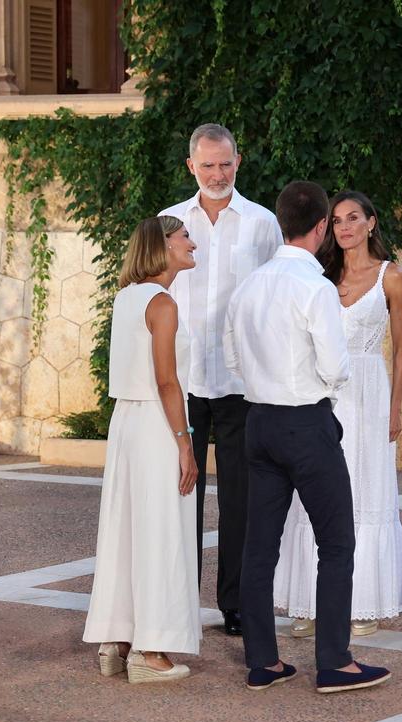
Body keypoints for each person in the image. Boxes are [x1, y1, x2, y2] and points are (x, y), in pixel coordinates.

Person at [224, 180, 391, 693]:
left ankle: (263, 662)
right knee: (337, 542)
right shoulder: (316, 286)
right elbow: (336, 366)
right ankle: (335, 661)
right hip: (306, 422)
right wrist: (323, 388)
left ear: (281, 224)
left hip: (258, 423)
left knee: (259, 548)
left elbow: (233, 362)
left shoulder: (248, 286)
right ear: (321, 227)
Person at [159, 123, 283, 637]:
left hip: (239, 381)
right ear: (191, 166)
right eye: (207, 165)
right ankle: (178, 600)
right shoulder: (169, 222)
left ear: (239, 162)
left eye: (225, 164)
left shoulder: (262, 223)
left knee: (240, 499)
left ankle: (234, 604)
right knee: (180, 491)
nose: (217, 173)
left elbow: (278, 296)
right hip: (183, 381)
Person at [274, 191, 402, 637]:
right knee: (316, 487)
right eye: (336, 221)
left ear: (371, 222)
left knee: (363, 489)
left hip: (369, 393)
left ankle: (361, 604)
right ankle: (313, 601)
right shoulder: (320, 275)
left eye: (354, 218)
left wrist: (396, 408)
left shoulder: (391, 277)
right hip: (321, 393)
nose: (345, 227)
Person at [82, 216, 201, 683]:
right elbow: (167, 381)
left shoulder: (126, 298)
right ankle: (151, 653)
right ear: (163, 246)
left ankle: (117, 642)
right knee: (159, 531)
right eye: (184, 237)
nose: (191, 244)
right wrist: (185, 443)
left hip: (126, 422)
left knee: (126, 529)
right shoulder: (162, 303)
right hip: (156, 423)